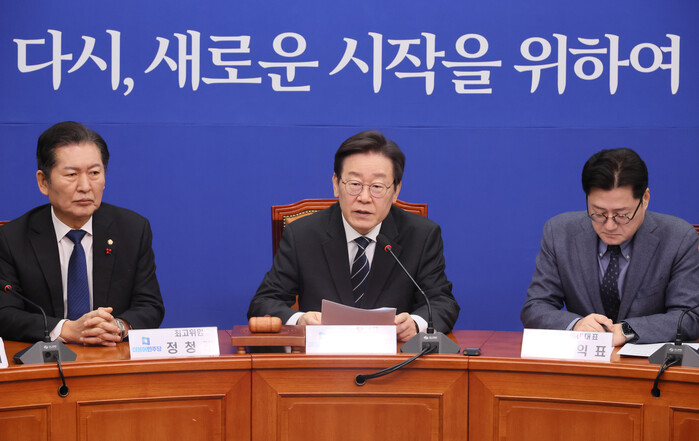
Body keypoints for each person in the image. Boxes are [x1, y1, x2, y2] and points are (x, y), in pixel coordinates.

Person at [248, 130, 459, 341]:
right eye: (355, 184)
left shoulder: (421, 235)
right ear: (336, 184)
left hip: (394, 356)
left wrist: (415, 323)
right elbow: (264, 303)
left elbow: (442, 302)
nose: (364, 198)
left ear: (395, 191)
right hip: (322, 356)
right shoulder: (302, 234)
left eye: (377, 186)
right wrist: (299, 320)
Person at [0, 121, 165, 345]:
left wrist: (118, 326)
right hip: (46, 360)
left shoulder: (133, 229)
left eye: (94, 173)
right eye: (71, 174)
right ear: (43, 182)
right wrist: (66, 329)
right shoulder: (12, 239)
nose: (85, 186)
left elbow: (150, 305)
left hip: (111, 355)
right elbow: (5, 313)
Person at [521, 148, 699, 345]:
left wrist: (627, 330)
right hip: (583, 357)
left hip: (648, 360)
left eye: (622, 215)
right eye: (598, 213)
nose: (609, 226)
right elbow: (536, 307)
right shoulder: (560, 233)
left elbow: (690, 316)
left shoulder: (678, 238)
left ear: (645, 199)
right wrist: (576, 325)